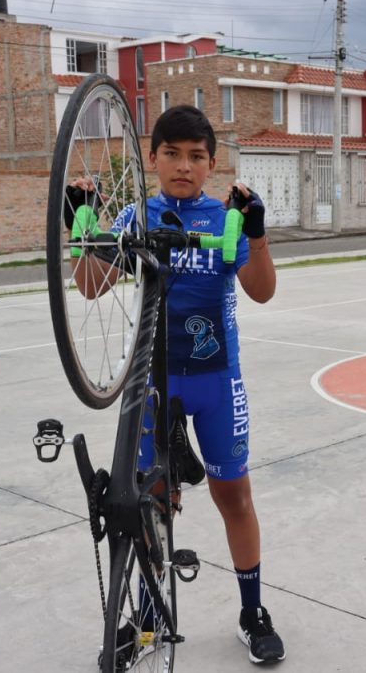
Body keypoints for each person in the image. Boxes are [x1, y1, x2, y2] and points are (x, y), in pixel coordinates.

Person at [67, 104, 285, 665]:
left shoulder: (223, 217)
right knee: (149, 501)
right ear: (154, 158)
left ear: (211, 163)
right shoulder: (137, 216)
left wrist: (256, 235)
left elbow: (262, 292)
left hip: (216, 379)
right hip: (153, 383)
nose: (183, 166)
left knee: (233, 496)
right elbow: (90, 286)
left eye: (195, 156)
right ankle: (146, 615)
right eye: (171, 154)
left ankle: (251, 611)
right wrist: (81, 223)